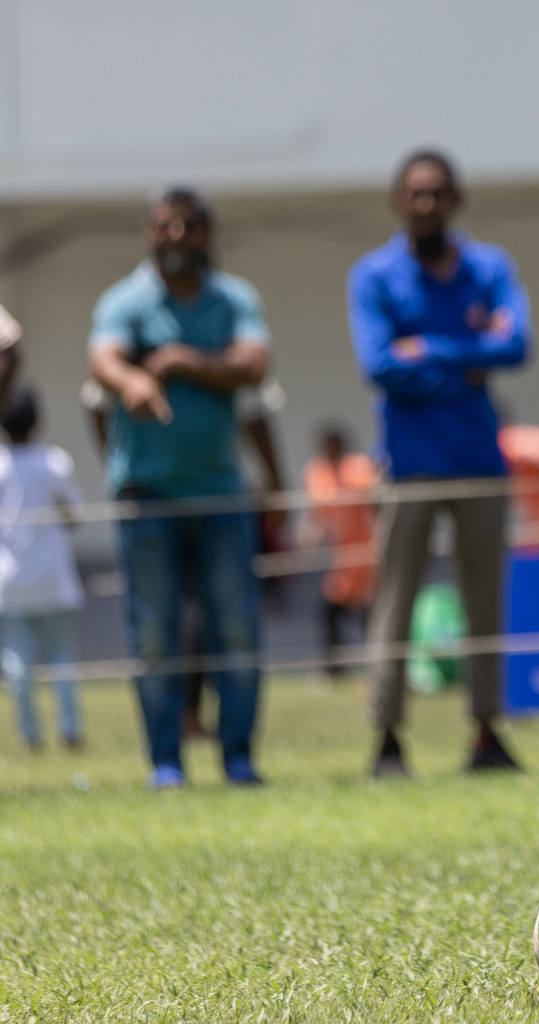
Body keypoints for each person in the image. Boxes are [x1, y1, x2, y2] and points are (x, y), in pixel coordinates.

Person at [347, 149, 531, 778]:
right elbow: (378, 365)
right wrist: (466, 361)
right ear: (400, 201)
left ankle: (487, 733)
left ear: (455, 200)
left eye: (437, 194)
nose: (426, 205)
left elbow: (516, 345)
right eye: (415, 194)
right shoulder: (374, 275)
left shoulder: (489, 267)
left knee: (485, 605)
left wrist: (427, 348)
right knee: (394, 604)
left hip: (479, 457)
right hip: (409, 465)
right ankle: (389, 740)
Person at [88, 185, 269, 790]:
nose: (174, 236)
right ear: (147, 233)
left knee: (237, 629)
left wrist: (177, 361)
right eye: (163, 225)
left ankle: (238, 758)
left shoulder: (235, 298)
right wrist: (132, 381)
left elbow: (253, 365)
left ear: (207, 233)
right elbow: (103, 361)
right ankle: (165, 762)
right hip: (147, 495)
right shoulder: (125, 300)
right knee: (155, 633)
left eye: (187, 225)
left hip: (221, 492)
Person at [0, 389, 85, 752]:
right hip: (53, 577)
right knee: (62, 655)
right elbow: (74, 515)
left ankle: (30, 736)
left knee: (17, 662)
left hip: (11, 580)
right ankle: (70, 731)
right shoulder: (53, 462)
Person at [302, 426, 379, 677]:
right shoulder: (318, 474)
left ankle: (382, 665)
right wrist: (311, 535)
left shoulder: (359, 468)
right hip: (341, 562)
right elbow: (318, 515)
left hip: (366, 557)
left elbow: (377, 506)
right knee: (329, 612)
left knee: (371, 615)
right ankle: (334, 668)